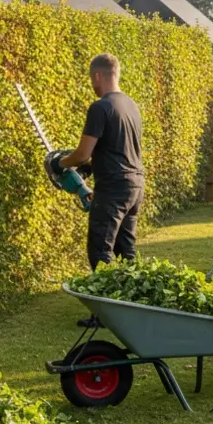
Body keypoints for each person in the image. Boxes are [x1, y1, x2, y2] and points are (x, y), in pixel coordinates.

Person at [55, 53, 145, 271]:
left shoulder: (100, 107)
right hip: (135, 185)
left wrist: (61, 164)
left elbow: (83, 154)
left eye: (91, 79)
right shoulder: (131, 105)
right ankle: (131, 301)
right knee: (126, 251)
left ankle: (106, 303)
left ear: (97, 76)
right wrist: (86, 170)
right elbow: (116, 149)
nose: (92, 84)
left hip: (113, 188)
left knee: (100, 251)